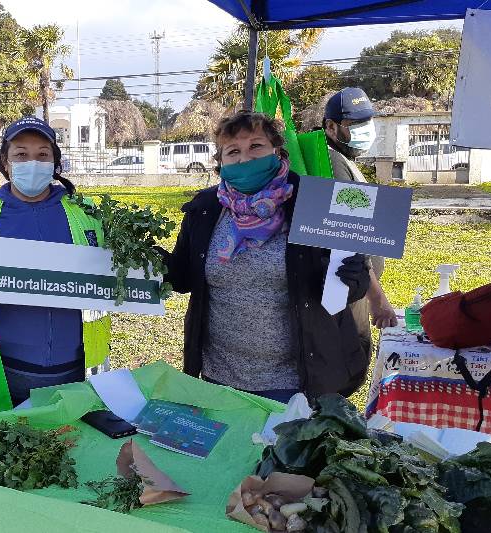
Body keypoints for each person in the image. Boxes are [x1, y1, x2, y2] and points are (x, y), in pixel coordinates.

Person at [164, 111, 373, 403]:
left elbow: (353, 287)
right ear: (220, 161)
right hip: (218, 377)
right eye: (233, 151)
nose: (245, 159)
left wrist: (351, 276)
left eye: (256, 147)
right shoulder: (205, 208)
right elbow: (184, 277)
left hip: (294, 381)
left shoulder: (313, 202)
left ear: (277, 150)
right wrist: (149, 262)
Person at [0, 117, 110, 406]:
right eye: (21, 154)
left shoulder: (87, 212)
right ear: (5, 163)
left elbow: (116, 272)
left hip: (79, 370)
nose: (33, 162)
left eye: (42, 154)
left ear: (55, 163)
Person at [323, 88, 398, 347]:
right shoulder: (332, 161)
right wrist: (377, 299)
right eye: (355, 124)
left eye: (368, 122)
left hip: (354, 289)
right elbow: (348, 235)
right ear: (331, 127)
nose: (366, 129)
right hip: (346, 288)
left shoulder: (342, 157)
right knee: (347, 361)